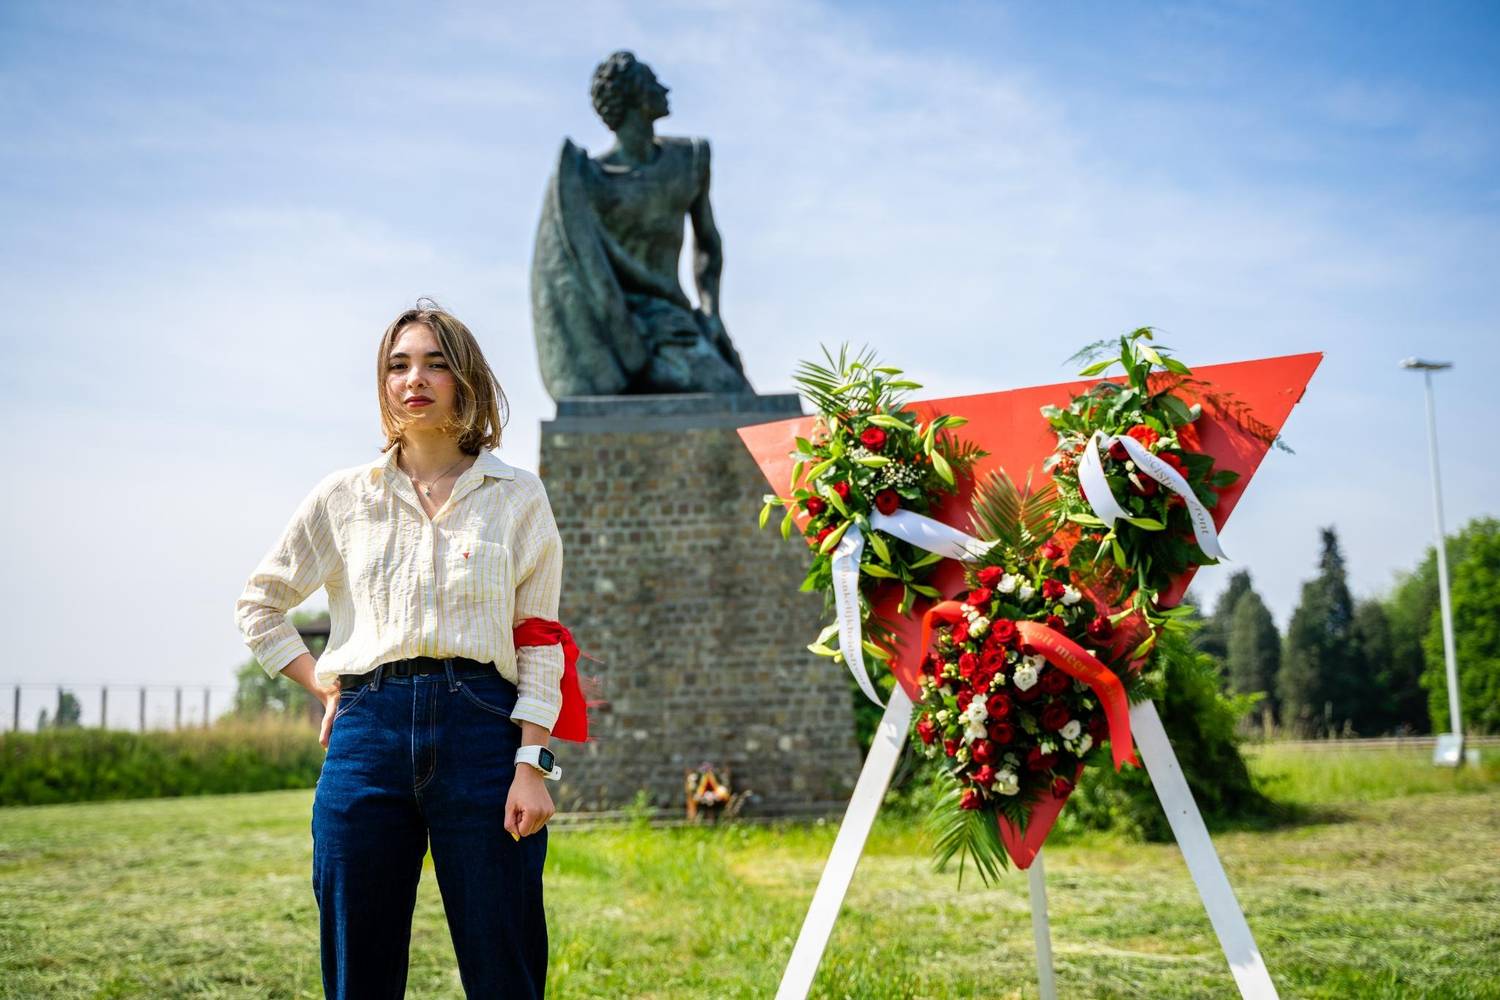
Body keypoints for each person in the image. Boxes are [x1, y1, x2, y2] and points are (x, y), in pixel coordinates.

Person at [234, 300, 565, 999]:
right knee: (359, 970)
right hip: (366, 736)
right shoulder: (343, 498)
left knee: (504, 964)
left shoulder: (518, 496)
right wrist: (325, 686)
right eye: (398, 364)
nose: (415, 378)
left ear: (465, 379)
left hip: (485, 732)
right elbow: (260, 604)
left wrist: (532, 762)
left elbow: (539, 641)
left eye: (436, 363)